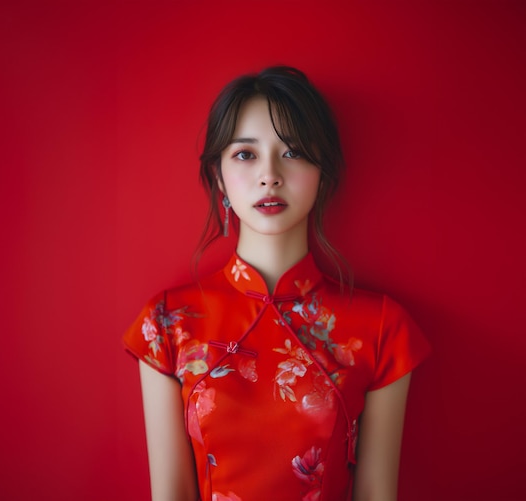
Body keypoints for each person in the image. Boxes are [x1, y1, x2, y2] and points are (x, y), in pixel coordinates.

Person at [123, 66, 430, 501]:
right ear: (218, 177)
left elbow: (378, 493)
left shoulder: (381, 329)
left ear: (322, 172)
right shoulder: (168, 325)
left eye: (294, 153)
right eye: (246, 155)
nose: (270, 175)